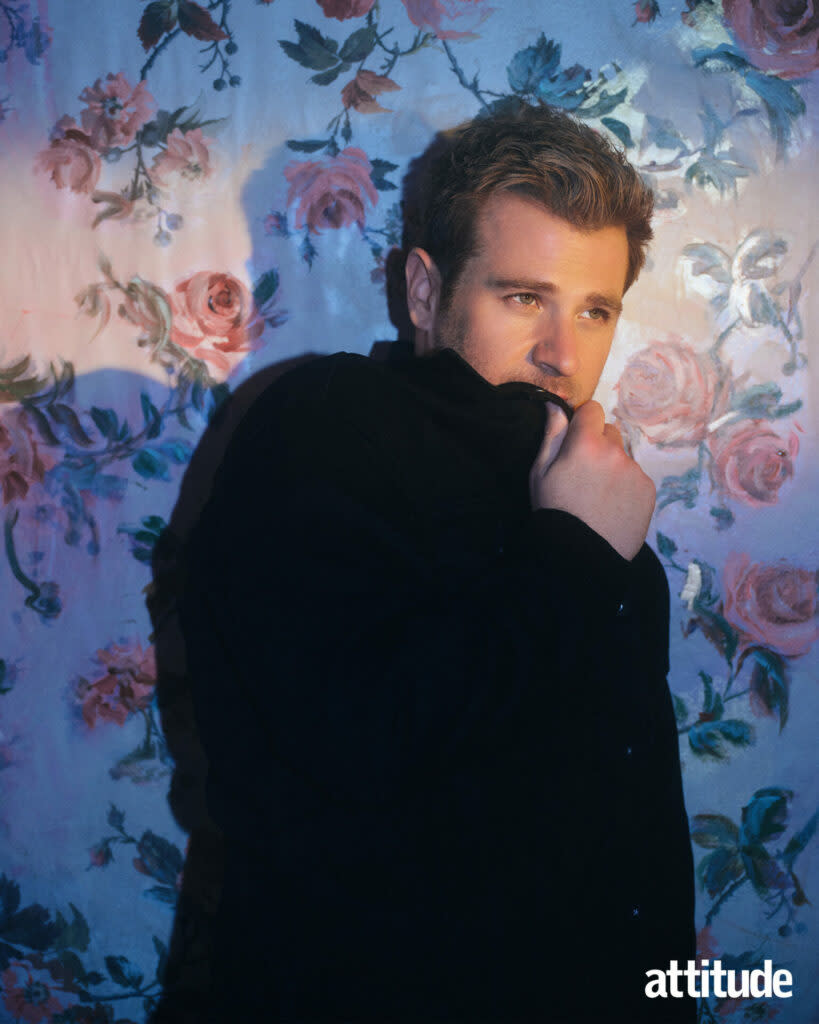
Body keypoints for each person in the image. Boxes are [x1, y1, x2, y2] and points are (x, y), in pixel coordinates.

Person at [179, 103, 696, 1022]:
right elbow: (360, 746)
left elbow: (619, 819)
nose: (562, 353)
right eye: (523, 297)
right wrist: (575, 552)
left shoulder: (582, 488)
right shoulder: (325, 425)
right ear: (424, 292)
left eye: (595, 310)